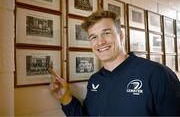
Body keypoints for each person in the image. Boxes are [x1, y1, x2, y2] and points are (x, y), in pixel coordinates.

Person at [49, 10, 180, 116]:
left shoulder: (157, 74)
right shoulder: (95, 80)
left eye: (106, 33)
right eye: (93, 37)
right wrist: (65, 98)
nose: (100, 42)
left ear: (121, 35)